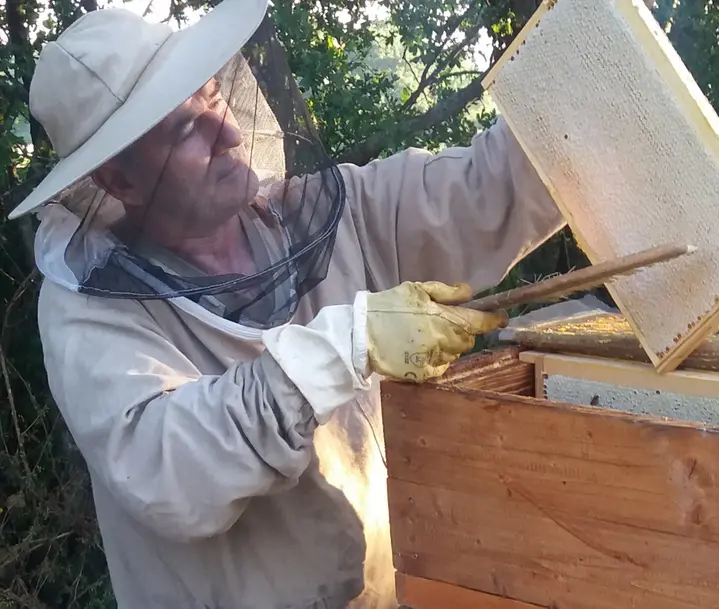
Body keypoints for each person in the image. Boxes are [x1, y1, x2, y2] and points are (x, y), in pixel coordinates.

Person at [9, 0, 564, 606]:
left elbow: (494, 186)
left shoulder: (334, 215)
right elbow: (167, 468)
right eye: (185, 129)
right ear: (122, 181)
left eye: (213, 96)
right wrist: (341, 349)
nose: (227, 132)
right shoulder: (89, 314)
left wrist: (594, 72)